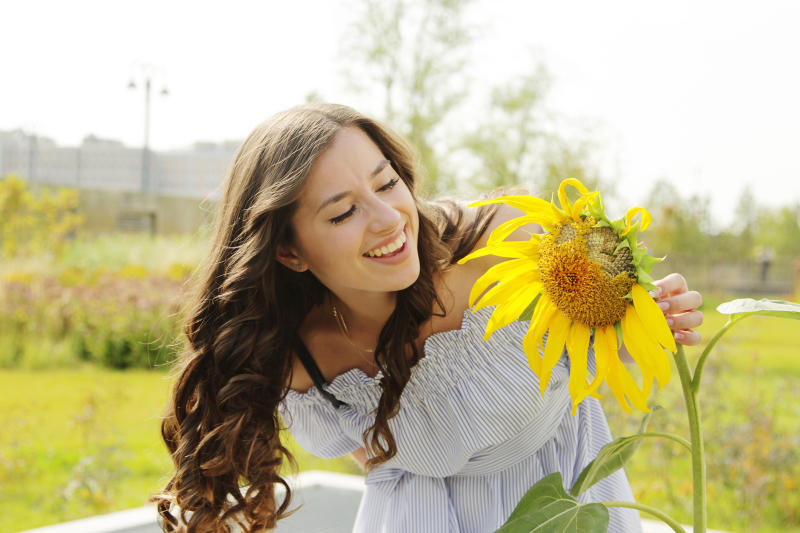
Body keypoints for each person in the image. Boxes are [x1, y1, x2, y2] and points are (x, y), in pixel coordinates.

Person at [155, 103, 704, 532]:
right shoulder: (300, 356)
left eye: (387, 182)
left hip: (563, 506)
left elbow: (592, 334)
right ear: (289, 253)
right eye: (343, 211)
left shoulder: (506, 246)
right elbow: (371, 446)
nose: (388, 218)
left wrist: (643, 322)